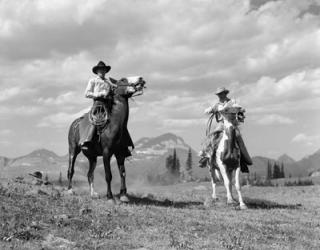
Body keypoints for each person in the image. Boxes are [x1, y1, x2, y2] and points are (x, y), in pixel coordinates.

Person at [198, 87, 249, 172]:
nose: (220, 96)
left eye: (221, 94)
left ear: (225, 93)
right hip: (221, 124)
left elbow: (240, 110)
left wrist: (240, 112)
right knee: (212, 137)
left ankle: (243, 160)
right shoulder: (217, 104)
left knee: (238, 137)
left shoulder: (232, 102)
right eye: (218, 94)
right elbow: (210, 110)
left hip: (232, 123)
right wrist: (209, 110)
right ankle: (206, 156)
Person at [80, 61, 117, 149]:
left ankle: (122, 145)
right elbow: (87, 93)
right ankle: (87, 141)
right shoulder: (93, 81)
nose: (102, 71)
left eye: (103, 69)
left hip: (109, 104)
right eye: (100, 69)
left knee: (119, 119)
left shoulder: (108, 83)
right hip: (98, 104)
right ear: (97, 71)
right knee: (96, 119)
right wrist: (99, 94)